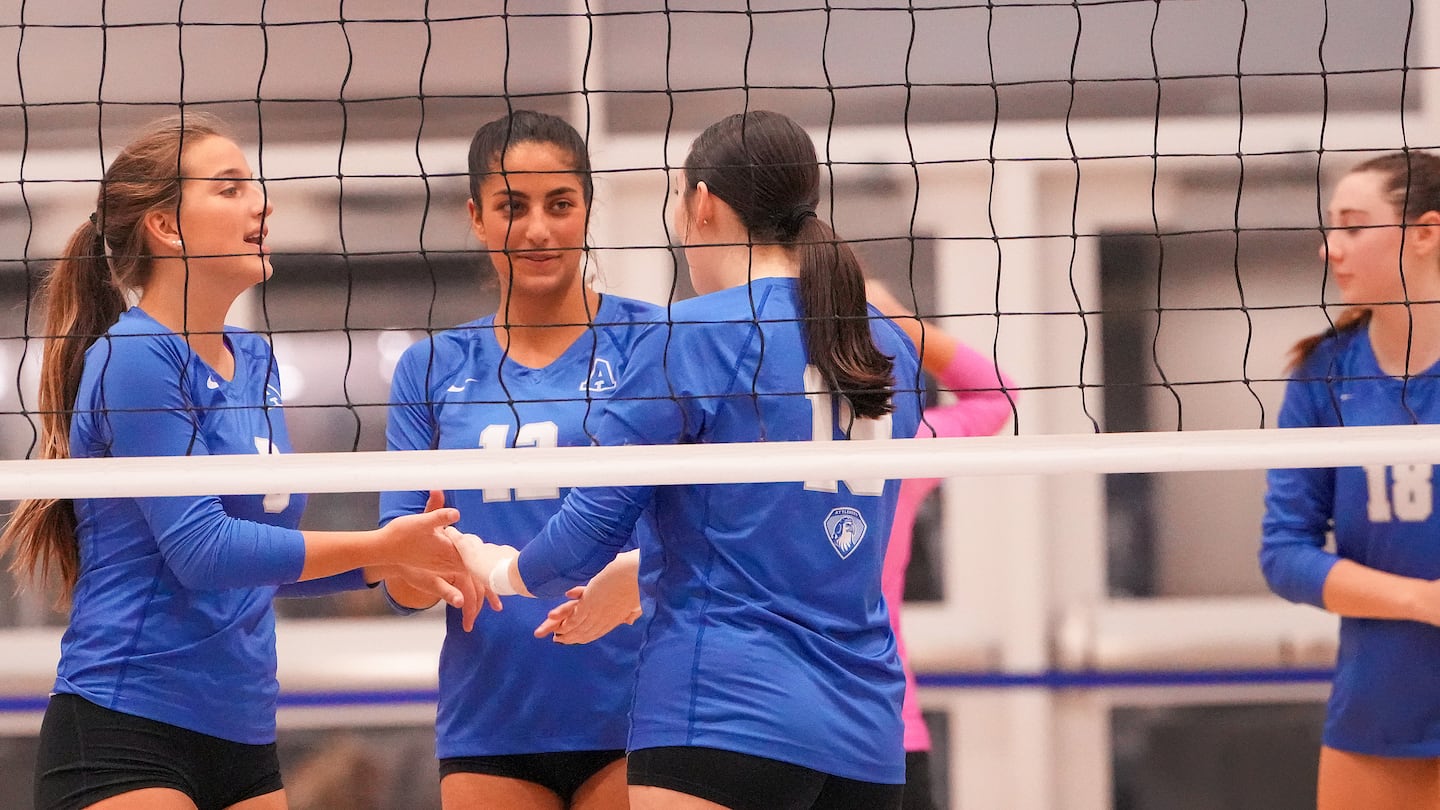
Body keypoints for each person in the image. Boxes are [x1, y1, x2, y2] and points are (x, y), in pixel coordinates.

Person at [0, 113, 479, 810]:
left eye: (252, 184)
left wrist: (391, 563)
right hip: (129, 724)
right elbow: (201, 550)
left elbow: (263, 563)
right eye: (230, 188)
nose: (261, 202)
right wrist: (375, 544)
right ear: (167, 225)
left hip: (243, 731)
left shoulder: (254, 360)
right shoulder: (137, 356)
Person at [470, 109, 924, 810]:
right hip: (865, 732)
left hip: (722, 715)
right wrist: (643, 570)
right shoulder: (891, 345)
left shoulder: (690, 336)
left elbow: (587, 529)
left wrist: (495, 567)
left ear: (703, 204)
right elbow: (782, 525)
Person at [379, 109, 659, 810]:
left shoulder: (652, 341)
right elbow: (398, 578)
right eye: (513, 206)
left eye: (559, 205)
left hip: (640, 709)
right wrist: (425, 569)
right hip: (492, 718)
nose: (538, 229)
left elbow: (707, 524)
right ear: (477, 216)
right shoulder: (430, 368)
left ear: (587, 211)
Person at [1260, 150, 1440, 810]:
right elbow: (1285, 557)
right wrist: (1422, 601)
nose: (1331, 249)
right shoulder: (1321, 376)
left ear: (1426, 234)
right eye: (1330, 227)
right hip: (1378, 711)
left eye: (1354, 227)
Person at [864, 279, 1016, 810]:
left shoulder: (759, 444)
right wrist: (903, 323)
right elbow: (998, 396)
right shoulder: (911, 445)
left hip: (789, 732)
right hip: (883, 730)